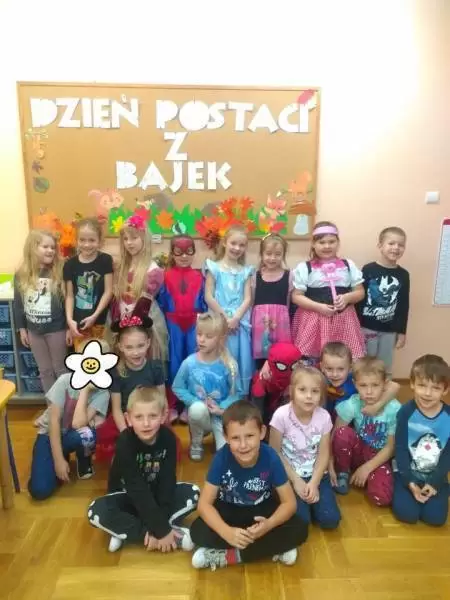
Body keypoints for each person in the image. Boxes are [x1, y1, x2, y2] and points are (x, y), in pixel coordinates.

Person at [189, 400, 308, 570]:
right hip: (228, 510)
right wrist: (226, 531)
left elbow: (289, 503)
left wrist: (268, 525)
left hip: (261, 510)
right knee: (196, 531)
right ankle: (271, 549)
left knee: (300, 528)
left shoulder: (271, 458)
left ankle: (230, 556)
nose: (243, 445)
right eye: (235, 438)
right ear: (225, 437)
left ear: (262, 432)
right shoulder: (220, 459)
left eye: (250, 436)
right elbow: (204, 505)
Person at [87, 386, 200, 552]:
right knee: (95, 511)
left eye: (153, 416)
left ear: (163, 416)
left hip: (156, 496)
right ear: (128, 419)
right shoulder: (124, 442)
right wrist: (161, 530)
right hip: (127, 497)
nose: (146, 423)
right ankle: (169, 535)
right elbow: (136, 488)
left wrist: (158, 527)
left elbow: (167, 482)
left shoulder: (168, 438)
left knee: (194, 493)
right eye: (139, 417)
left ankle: (127, 532)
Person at [28, 339, 111, 500]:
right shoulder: (65, 381)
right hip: (49, 434)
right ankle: (58, 455)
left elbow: (78, 424)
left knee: (88, 434)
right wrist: (58, 460)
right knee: (40, 491)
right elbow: (53, 422)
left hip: (72, 434)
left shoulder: (102, 392)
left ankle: (82, 458)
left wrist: (85, 389)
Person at [270, 365, 340, 530]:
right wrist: (296, 481)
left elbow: (323, 454)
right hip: (289, 475)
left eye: (315, 391)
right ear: (292, 391)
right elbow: (274, 452)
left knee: (330, 520)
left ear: (321, 395)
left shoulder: (324, 417)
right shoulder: (281, 416)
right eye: (302, 390)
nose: (309, 396)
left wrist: (314, 483)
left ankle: (314, 504)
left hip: (316, 475)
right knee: (301, 522)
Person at [291, 221, 365, 365]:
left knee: (341, 360)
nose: (327, 246)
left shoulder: (348, 266)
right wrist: (318, 307)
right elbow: (296, 296)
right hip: (313, 321)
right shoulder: (305, 268)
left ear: (338, 242)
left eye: (331, 242)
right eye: (322, 242)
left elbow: (360, 292)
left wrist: (347, 297)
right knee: (311, 361)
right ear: (313, 244)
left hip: (344, 321)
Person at [172, 312, 242, 461]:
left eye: (208, 336)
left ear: (221, 339)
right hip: (199, 415)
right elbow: (177, 387)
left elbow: (236, 393)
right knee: (197, 409)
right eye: (199, 334)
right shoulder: (189, 363)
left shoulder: (229, 365)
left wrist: (220, 409)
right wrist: (195, 401)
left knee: (226, 457)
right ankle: (196, 443)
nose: (201, 340)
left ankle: (219, 437)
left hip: (221, 416)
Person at [332, 357, 401, 506]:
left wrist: (367, 468)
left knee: (381, 498)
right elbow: (335, 435)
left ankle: (373, 476)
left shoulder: (394, 409)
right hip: (358, 451)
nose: (369, 392)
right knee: (343, 433)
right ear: (355, 384)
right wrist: (331, 466)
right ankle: (343, 472)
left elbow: (391, 447)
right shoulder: (353, 404)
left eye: (375, 385)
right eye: (363, 385)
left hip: (379, 457)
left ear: (385, 384)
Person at [392, 354, 450, 526]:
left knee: (435, 519)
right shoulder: (405, 412)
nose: (427, 393)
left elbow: (447, 455)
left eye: (436, 388)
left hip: (436, 476)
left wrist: (435, 483)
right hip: (407, 473)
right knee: (407, 515)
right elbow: (400, 449)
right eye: (422, 385)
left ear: (445, 390)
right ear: (412, 384)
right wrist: (410, 483)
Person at [111, 213, 168, 378]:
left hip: (145, 321)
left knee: (145, 360)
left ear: (144, 239)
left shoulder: (152, 269)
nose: (129, 243)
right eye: (125, 239)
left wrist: (132, 324)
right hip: (122, 319)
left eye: (134, 238)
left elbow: (144, 303)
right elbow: (116, 298)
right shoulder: (120, 267)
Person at [157, 235, 207, 423]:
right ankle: (172, 404)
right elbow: (160, 302)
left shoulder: (200, 277)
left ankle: (190, 403)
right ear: (172, 253)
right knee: (173, 364)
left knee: (193, 363)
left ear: (194, 253)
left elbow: (204, 303)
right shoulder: (165, 276)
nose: (184, 256)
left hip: (194, 325)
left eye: (189, 251)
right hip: (172, 325)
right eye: (179, 252)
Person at [14, 229, 69, 393]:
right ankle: (51, 405)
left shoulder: (59, 272)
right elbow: (18, 304)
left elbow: (67, 301)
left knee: (60, 369)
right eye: (45, 247)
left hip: (56, 330)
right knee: (44, 371)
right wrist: (22, 329)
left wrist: (68, 328)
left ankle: (65, 404)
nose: (50, 250)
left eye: (53, 247)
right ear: (33, 247)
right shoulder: (21, 274)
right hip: (34, 331)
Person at [204, 225, 254, 394]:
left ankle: (237, 396)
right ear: (225, 243)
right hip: (219, 320)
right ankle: (217, 394)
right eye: (233, 243)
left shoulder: (246, 271)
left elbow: (247, 298)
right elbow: (209, 296)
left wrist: (236, 319)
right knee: (219, 356)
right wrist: (225, 319)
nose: (237, 248)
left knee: (239, 358)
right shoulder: (214, 267)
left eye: (242, 245)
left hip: (239, 323)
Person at [358, 226, 410, 377]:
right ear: (380, 246)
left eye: (401, 245)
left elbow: (403, 305)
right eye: (391, 243)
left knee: (385, 366)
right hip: (366, 327)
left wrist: (402, 332)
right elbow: (359, 298)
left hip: (389, 330)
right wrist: (355, 326)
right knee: (365, 364)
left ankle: (384, 390)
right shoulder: (368, 269)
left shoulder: (403, 274)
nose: (396, 248)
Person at [63, 218, 113, 351]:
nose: (87, 244)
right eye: (82, 240)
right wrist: (69, 321)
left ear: (100, 241)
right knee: (82, 358)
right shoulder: (70, 264)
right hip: (78, 324)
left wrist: (95, 316)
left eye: (92, 240)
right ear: (76, 240)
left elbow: (108, 291)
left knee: (101, 357)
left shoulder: (105, 260)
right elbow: (69, 296)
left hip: (100, 322)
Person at [320, 341, 400, 422]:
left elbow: (395, 386)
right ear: (322, 367)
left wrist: (376, 406)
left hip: (355, 423)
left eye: (341, 369)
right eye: (329, 369)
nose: (335, 374)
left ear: (350, 368)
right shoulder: (319, 380)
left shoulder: (356, 378)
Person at [251, 234, 292, 370]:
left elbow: (289, 302)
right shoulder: (255, 276)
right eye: (268, 254)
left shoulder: (289, 275)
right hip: (260, 325)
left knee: (280, 358)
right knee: (261, 357)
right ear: (262, 254)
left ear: (283, 255)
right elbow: (251, 301)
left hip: (281, 325)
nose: (273, 258)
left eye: (277, 254)